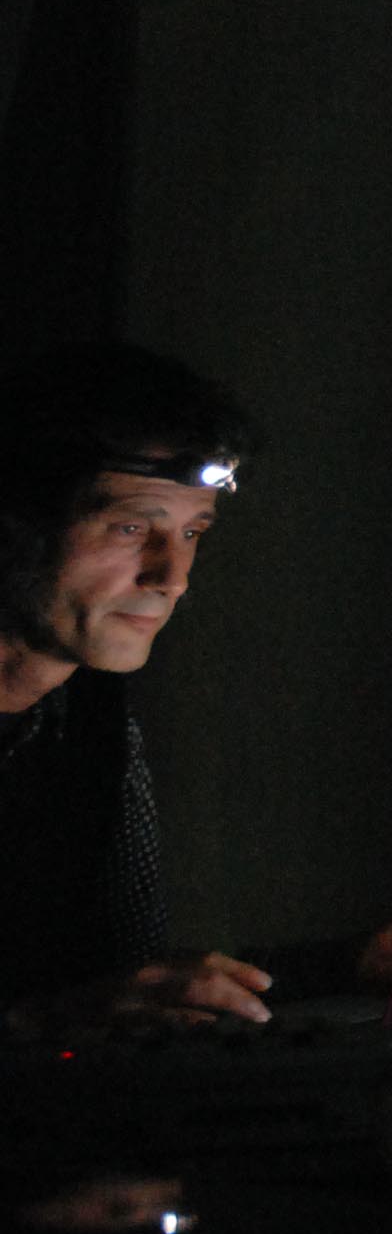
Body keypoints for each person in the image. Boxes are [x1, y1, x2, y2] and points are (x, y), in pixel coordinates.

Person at [0, 342, 276, 1036]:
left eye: (192, 533)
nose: (172, 578)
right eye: (131, 528)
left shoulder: (90, 726)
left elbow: (129, 980)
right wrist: (42, 1022)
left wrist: (352, 964)